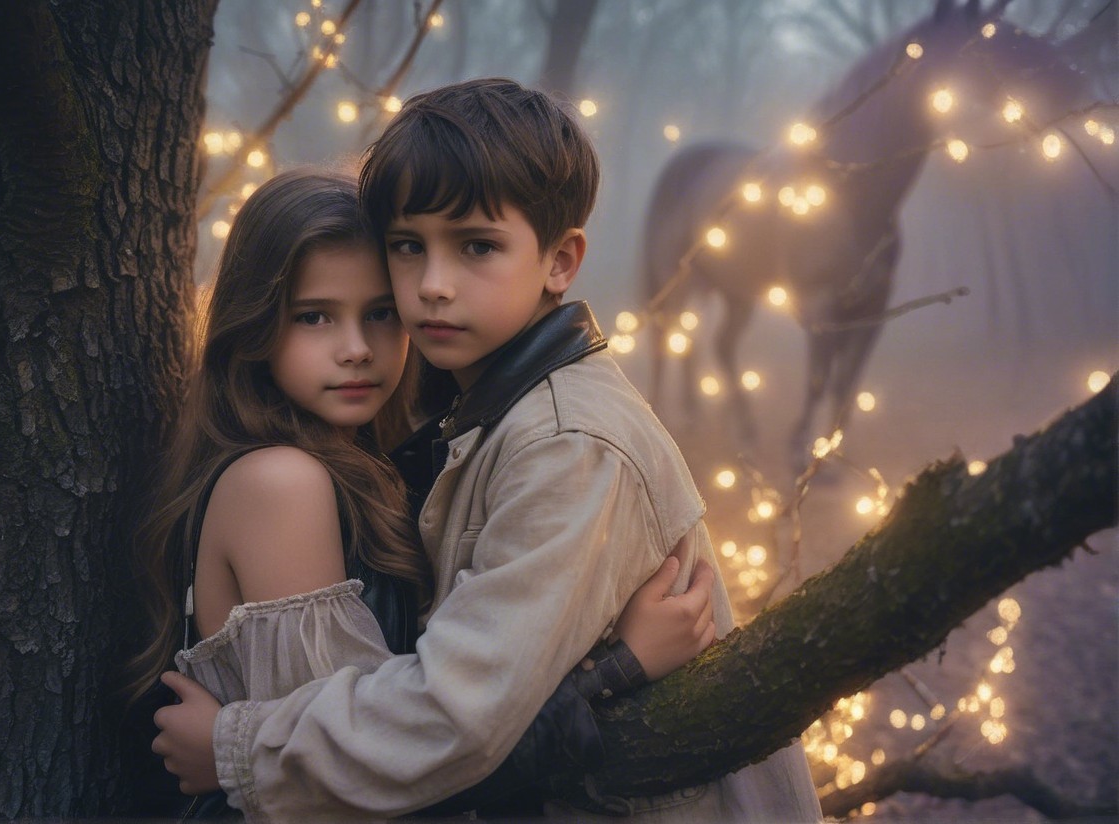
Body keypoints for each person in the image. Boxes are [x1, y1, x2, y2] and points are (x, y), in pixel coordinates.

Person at [154, 78, 822, 821]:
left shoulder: (564, 443)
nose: (434, 287)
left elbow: (453, 719)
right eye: (409, 248)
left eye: (476, 246)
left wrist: (238, 746)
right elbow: (452, 716)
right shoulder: (437, 438)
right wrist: (613, 670)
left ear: (560, 262)